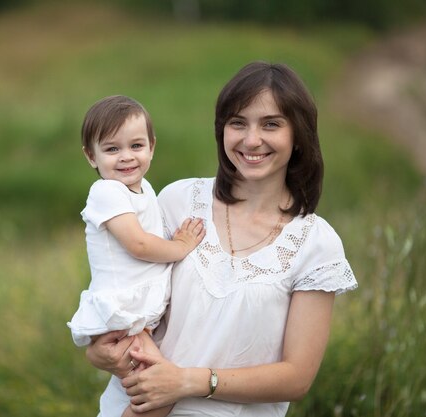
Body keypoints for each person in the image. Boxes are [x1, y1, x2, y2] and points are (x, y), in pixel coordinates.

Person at [85, 62, 358, 416]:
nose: (251, 139)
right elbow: (120, 289)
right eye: (238, 123)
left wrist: (189, 381)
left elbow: (297, 378)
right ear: (222, 130)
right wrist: (98, 352)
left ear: (298, 135)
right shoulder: (176, 201)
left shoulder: (316, 244)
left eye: (271, 124)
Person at [67, 95, 206, 417]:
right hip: (121, 313)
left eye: (136, 146)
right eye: (112, 149)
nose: (126, 157)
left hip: (134, 317)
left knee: (150, 391)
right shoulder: (106, 192)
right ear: (91, 156)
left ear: (152, 147)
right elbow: (139, 245)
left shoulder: (145, 189)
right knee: (157, 395)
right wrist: (181, 246)